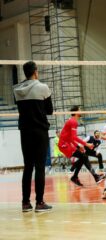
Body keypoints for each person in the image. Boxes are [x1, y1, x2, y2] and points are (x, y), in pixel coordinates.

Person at [13, 61, 53, 212]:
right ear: (35, 71)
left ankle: (25, 203)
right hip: (40, 131)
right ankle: (40, 202)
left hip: (25, 132)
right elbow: (49, 110)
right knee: (40, 167)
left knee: (28, 167)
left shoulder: (16, 89)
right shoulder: (43, 87)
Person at [58, 106, 104, 187]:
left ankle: (76, 177)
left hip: (67, 144)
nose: (81, 111)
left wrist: (78, 147)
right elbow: (74, 137)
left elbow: (70, 138)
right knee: (84, 157)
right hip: (64, 145)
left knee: (84, 157)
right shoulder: (73, 122)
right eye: (80, 110)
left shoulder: (72, 121)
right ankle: (94, 176)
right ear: (76, 112)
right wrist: (86, 144)